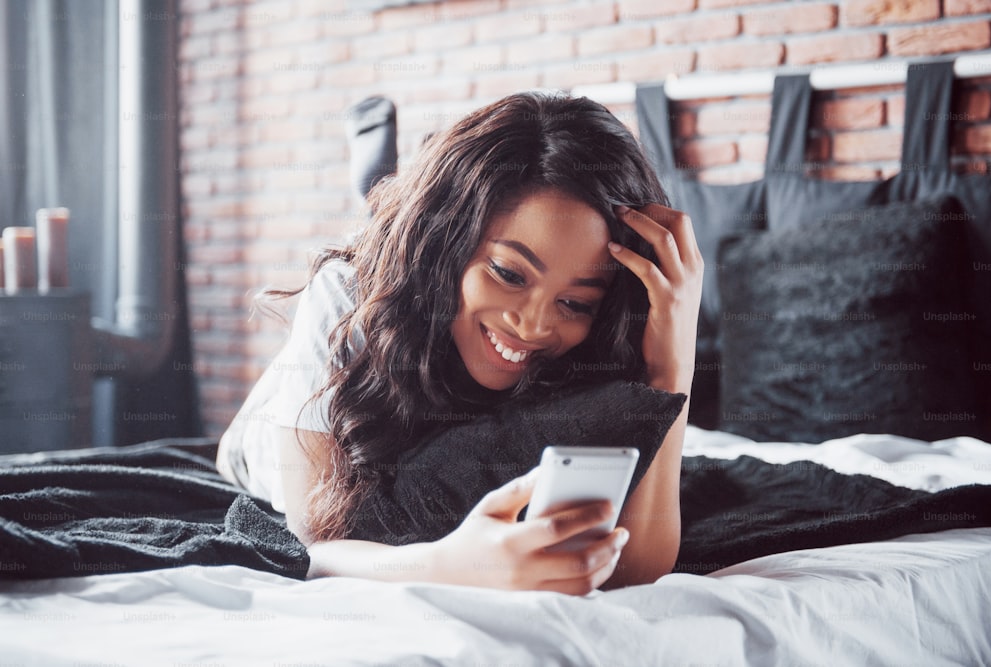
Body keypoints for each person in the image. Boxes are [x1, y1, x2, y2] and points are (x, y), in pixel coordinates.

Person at [216, 91, 703, 594]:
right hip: (262, 431)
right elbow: (313, 546)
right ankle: (380, 184)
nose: (534, 327)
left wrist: (672, 364)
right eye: (509, 273)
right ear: (448, 245)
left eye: (574, 303)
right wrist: (450, 565)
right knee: (381, 262)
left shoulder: (591, 346)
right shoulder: (344, 299)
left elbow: (639, 567)